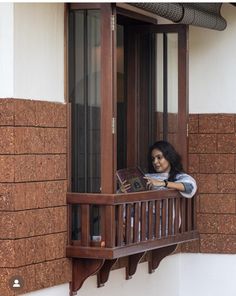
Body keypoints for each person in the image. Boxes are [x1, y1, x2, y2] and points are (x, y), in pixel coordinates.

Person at [120, 140, 197, 198]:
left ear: (169, 157)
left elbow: (190, 187)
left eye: (159, 157)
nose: (155, 162)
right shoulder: (145, 177)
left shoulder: (179, 177)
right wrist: (121, 191)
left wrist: (163, 183)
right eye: (153, 159)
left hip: (165, 217)